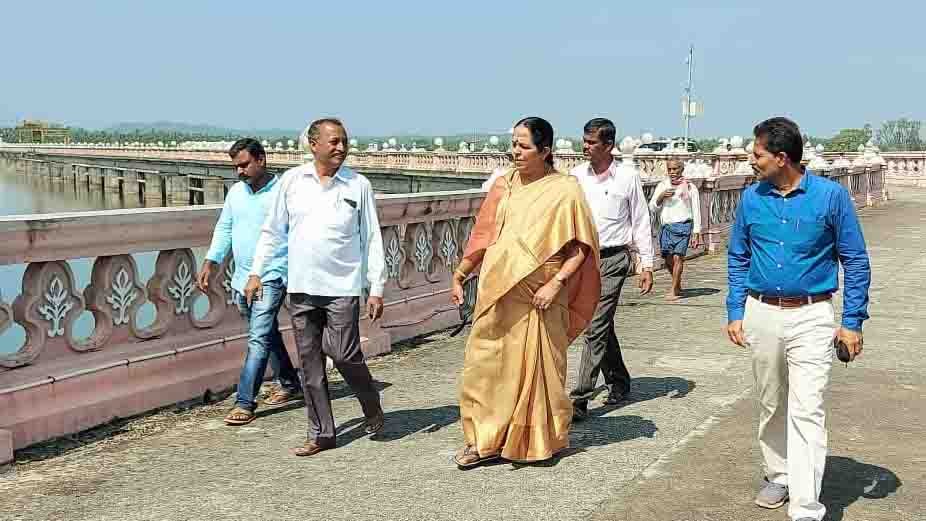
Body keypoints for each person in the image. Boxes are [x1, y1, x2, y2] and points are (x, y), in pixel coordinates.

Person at [726, 117, 871, 521]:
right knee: (771, 401)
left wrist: (853, 320)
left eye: (757, 154)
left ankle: (807, 508)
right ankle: (780, 474)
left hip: (812, 314)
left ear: (782, 157)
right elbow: (738, 255)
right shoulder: (752, 199)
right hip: (761, 312)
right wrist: (736, 310)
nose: (751, 161)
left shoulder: (830, 197)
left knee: (807, 408)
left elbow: (855, 260)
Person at [450, 116, 600, 468]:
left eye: (524, 146)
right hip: (498, 292)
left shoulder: (566, 189)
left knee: (537, 371)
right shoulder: (504, 185)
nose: (515, 151)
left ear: (545, 151)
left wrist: (555, 283)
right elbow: (483, 237)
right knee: (485, 367)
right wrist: (460, 274)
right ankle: (483, 441)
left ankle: (532, 440)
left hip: (542, 297)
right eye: (513, 144)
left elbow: (580, 247)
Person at [246, 118, 386, 457]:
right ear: (313, 144)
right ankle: (322, 433)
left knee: (342, 353)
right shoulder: (293, 181)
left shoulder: (358, 185)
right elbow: (273, 231)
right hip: (302, 287)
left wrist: (376, 286)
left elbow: (372, 237)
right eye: (334, 141)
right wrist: (256, 272)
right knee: (309, 365)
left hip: (342, 287)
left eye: (344, 141)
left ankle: (370, 402)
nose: (341, 148)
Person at [197, 138, 302, 426]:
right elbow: (225, 227)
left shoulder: (283, 192)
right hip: (241, 278)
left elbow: (292, 235)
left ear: (261, 159)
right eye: (236, 167)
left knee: (257, 338)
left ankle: (245, 401)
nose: (240, 172)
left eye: (244, 165)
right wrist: (211, 260)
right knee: (267, 334)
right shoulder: (236, 193)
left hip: (271, 275)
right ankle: (291, 384)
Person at [569, 118, 655, 420]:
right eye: (584, 140)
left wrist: (646, 264)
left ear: (608, 145)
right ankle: (618, 379)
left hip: (614, 259)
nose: (586, 147)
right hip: (582, 259)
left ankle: (579, 398)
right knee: (599, 324)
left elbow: (640, 220)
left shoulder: (627, 177)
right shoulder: (576, 176)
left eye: (592, 142)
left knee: (595, 326)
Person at [649, 158, 702, 300]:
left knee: (678, 257)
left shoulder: (690, 187)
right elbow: (652, 207)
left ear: (681, 169)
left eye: (675, 169)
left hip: (684, 226)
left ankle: (673, 290)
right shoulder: (662, 185)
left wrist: (696, 231)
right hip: (666, 226)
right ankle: (677, 284)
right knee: (667, 259)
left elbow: (696, 209)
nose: (672, 172)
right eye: (670, 169)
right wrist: (661, 197)